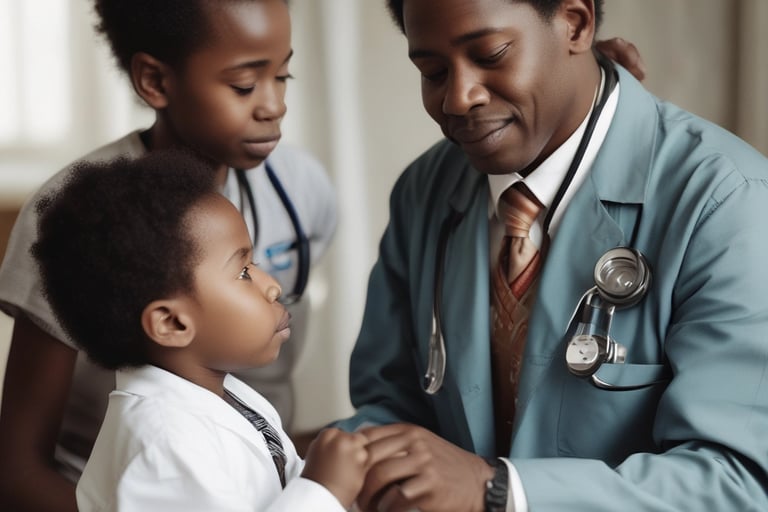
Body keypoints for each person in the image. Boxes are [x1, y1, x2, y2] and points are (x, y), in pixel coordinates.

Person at [337, 1, 768, 511]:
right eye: (432, 71)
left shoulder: (724, 201)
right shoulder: (425, 190)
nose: (458, 98)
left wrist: (498, 491)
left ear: (576, 22)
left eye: (491, 54)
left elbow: (737, 479)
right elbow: (391, 405)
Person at [0, 1, 335, 510]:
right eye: (244, 85)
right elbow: (19, 469)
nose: (274, 105)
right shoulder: (75, 217)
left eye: (283, 75)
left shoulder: (304, 191)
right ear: (155, 80)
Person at [30, 149, 368, 511]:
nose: (272, 286)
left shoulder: (228, 396)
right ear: (172, 323)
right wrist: (323, 489)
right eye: (243, 272)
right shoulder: (163, 445)